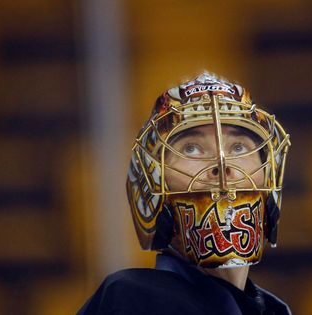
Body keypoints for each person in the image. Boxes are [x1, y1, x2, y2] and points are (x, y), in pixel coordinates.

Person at [78, 72, 292, 315]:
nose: (222, 166)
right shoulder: (133, 300)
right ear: (155, 182)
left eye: (239, 146)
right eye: (191, 148)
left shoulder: (273, 311)